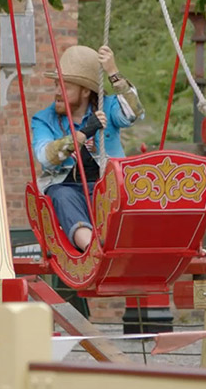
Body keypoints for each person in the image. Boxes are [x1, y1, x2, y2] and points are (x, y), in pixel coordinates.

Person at [31, 45, 144, 252]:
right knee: (60, 195)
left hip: (105, 187)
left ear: (84, 91)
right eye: (56, 85)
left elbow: (133, 113)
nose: (57, 92)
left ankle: (126, 243)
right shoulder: (44, 119)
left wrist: (113, 72)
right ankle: (92, 248)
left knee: (122, 193)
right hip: (68, 189)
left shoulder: (107, 108)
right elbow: (46, 156)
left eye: (64, 87)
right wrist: (84, 133)